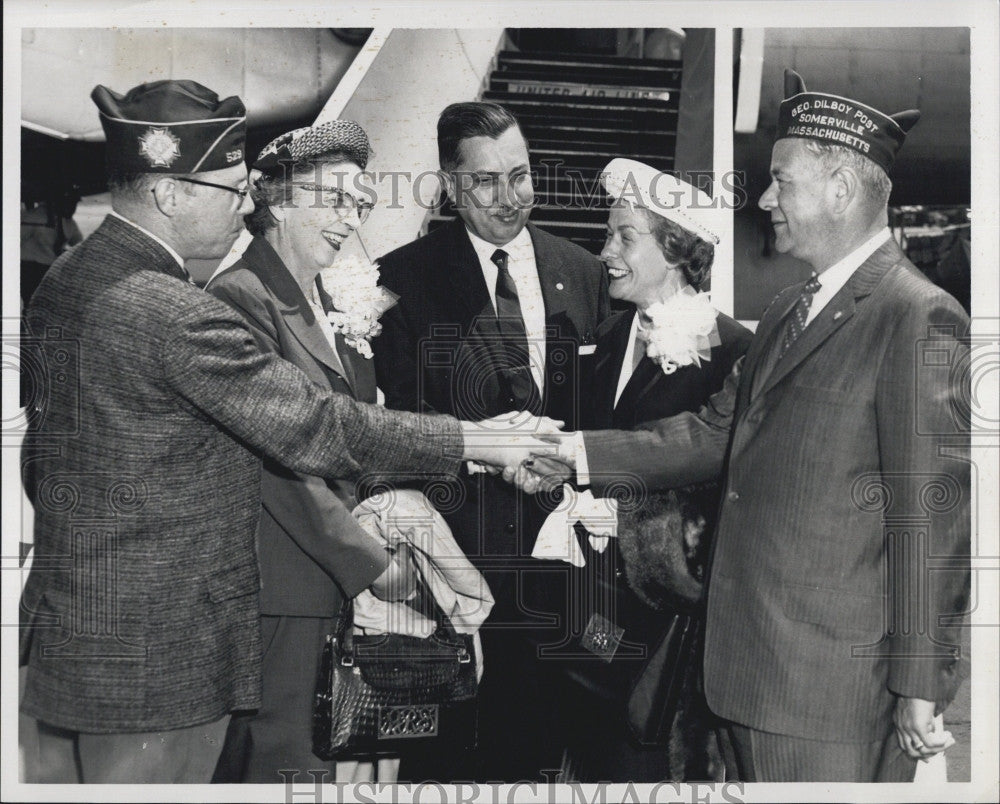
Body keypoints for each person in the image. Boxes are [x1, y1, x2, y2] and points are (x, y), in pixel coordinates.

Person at [18, 79, 551, 784]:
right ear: (171, 193)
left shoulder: (66, 279)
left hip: (79, 637)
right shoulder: (181, 309)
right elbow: (313, 425)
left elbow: (39, 460)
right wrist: (478, 441)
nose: (245, 204)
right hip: (162, 657)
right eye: (231, 187)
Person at [527, 69, 971, 783]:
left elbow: (931, 519)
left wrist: (921, 684)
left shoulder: (916, 315)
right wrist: (571, 450)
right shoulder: (795, 307)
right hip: (742, 675)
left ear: (841, 188)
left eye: (780, 181)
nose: (764, 199)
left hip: (829, 693)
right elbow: (708, 434)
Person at [374, 100, 609, 781]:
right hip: (454, 562)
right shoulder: (402, 281)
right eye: (486, 182)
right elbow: (397, 428)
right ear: (450, 186)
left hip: (560, 564)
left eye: (521, 174)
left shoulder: (583, 272)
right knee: (444, 756)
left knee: (539, 750)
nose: (510, 199)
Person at [205, 120, 395, 782]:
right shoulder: (242, 296)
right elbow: (279, 465)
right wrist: (376, 564)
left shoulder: (330, 297)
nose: (351, 219)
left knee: (316, 764)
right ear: (278, 199)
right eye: (334, 199)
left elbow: (358, 431)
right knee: (279, 765)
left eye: (360, 201)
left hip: (322, 582)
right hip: (279, 590)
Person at [552, 159, 751, 782]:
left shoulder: (735, 355)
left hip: (672, 631)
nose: (604, 251)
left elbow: (728, 492)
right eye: (608, 234)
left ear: (674, 249)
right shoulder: (602, 339)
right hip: (588, 617)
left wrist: (622, 510)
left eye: (623, 237)